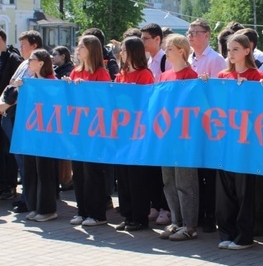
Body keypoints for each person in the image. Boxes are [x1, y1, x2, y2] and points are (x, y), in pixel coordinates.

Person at [214, 34, 263, 250]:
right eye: (228, 49)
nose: (231, 53)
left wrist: (247, 92)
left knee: (245, 189)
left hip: (246, 141)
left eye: (235, 49)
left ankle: (244, 235)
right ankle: (226, 232)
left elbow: (261, 108)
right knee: (225, 189)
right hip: (225, 139)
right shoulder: (223, 75)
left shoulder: (256, 76)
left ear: (247, 50)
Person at [112, 37, 160, 231]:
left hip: (138, 132)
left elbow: (147, 102)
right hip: (122, 131)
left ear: (132, 51)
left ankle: (140, 217)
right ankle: (128, 214)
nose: (121, 53)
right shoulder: (121, 74)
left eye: (123, 50)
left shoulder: (145, 74)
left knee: (136, 177)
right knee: (122, 176)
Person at [66, 35, 112, 227]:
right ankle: (82, 211)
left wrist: (84, 90)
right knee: (78, 171)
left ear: (92, 50)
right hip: (78, 128)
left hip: (95, 128)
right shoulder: (75, 72)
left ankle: (97, 214)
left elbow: (104, 100)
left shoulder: (101, 73)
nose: (78, 50)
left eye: (82, 47)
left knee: (92, 171)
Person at [0, 30, 42, 212]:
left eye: (24, 44)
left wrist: (6, 105)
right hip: (12, 115)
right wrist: (1, 102)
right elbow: (11, 85)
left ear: (34, 45)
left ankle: (29, 199)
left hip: (24, 118)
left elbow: (29, 91)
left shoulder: (37, 67)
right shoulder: (23, 64)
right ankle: (26, 197)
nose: (20, 48)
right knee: (19, 158)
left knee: (25, 161)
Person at [158, 34, 200, 241]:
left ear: (181, 51)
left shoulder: (191, 76)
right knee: (169, 180)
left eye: (169, 49)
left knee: (185, 181)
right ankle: (176, 221)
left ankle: (189, 225)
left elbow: (194, 108)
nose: (166, 52)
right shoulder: (165, 76)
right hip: (167, 135)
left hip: (184, 137)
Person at [187, 18, 227, 233]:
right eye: (189, 32)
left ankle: (211, 216)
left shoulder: (215, 60)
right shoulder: (190, 57)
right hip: (192, 123)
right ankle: (200, 212)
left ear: (207, 35)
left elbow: (219, 95)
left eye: (195, 32)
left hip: (210, 124)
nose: (191, 36)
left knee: (209, 173)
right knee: (196, 171)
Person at [0, 27, 24, 201]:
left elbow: (12, 87)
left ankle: (9, 184)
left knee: (6, 148)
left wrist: (5, 104)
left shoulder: (13, 58)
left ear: (0, 38)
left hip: (6, 109)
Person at [21, 49, 60, 222]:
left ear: (41, 63)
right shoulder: (30, 81)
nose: (28, 62)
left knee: (45, 171)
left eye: (32, 59)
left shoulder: (52, 81)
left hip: (47, 132)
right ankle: (35, 206)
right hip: (31, 131)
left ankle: (47, 208)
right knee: (31, 170)